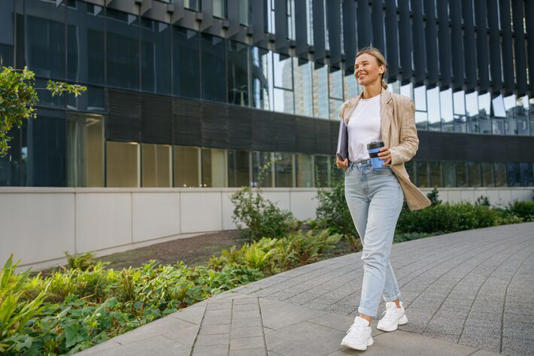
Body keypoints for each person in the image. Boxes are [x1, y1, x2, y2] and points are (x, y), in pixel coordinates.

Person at [337, 47, 431, 351]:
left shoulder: (400, 103)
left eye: (364, 63)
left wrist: (395, 154)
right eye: (355, 66)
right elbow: (348, 142)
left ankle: (362, 324)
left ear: (381, 69)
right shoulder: (348, 107)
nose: (359, 69)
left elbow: (411, 143)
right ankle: (395, 306)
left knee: (373, 255)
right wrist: (341, 158)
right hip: (354, 180)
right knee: (373, 250)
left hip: (385, 180)